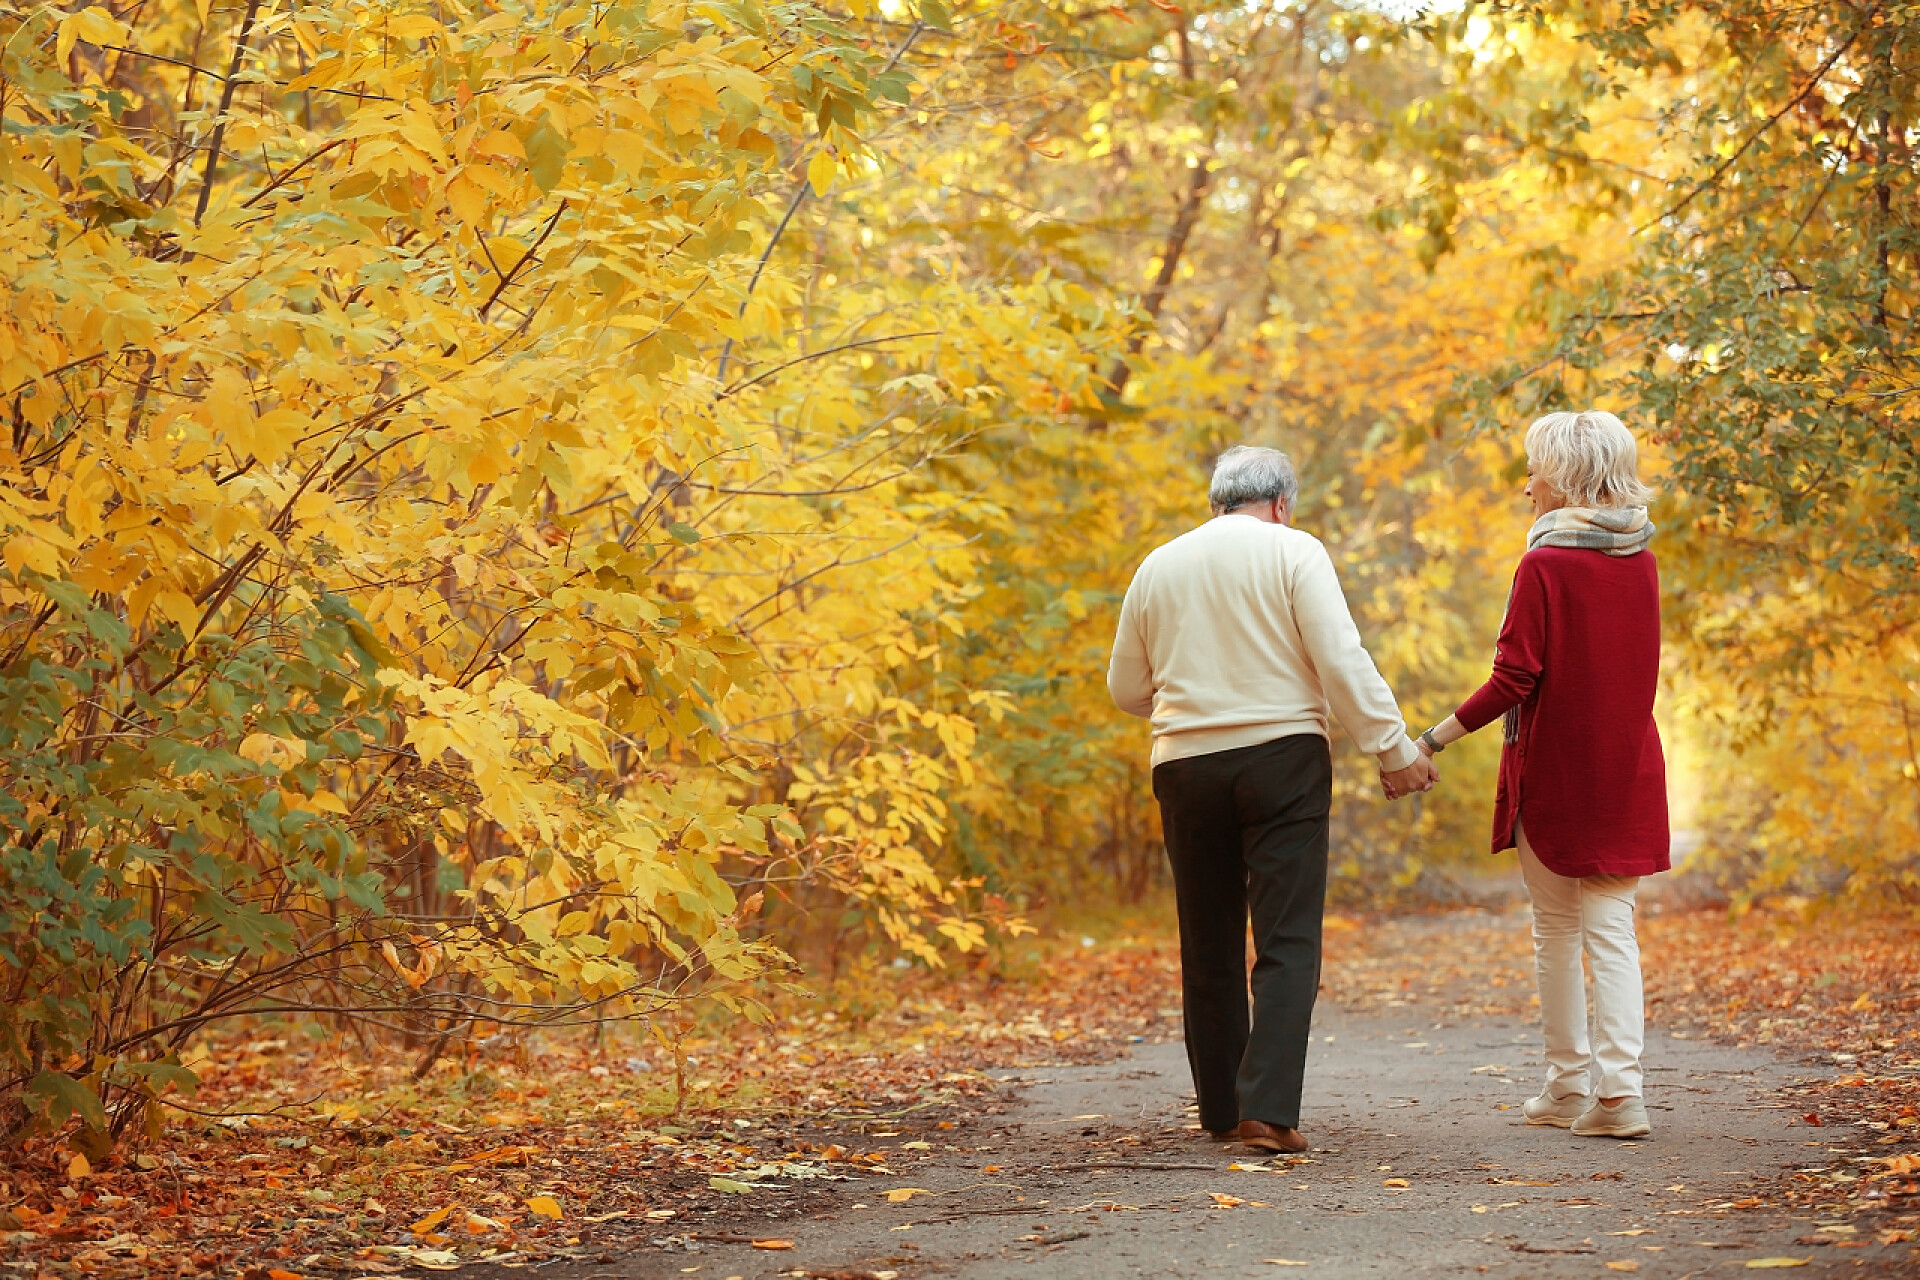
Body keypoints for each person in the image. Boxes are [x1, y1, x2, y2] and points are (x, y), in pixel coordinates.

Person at [1107, 445, 1436, 1154]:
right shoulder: (1295, 552)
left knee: (1209, 938)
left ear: (1214, 502)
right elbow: (1340, 659)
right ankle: (1269, 1110)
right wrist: (1394, 750)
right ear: (1282, 504)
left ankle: (1223, 1110)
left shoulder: (1158, 565)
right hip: (1282, 759)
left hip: (1186, 765)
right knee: (1286, 937)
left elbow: (1126, 690)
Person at [1404, 410, 1670, 1140]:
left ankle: (1564, 1086)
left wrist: (1432, 738)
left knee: (1556, 929)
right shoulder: (1640, 557)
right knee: (1613, 930)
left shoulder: (1545, 563)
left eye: (1534, 470)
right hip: (1627, 766)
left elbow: (1514, 676)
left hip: (1555, 770)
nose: (1527, 486)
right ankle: (1620, 1095)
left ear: (1565, 477)